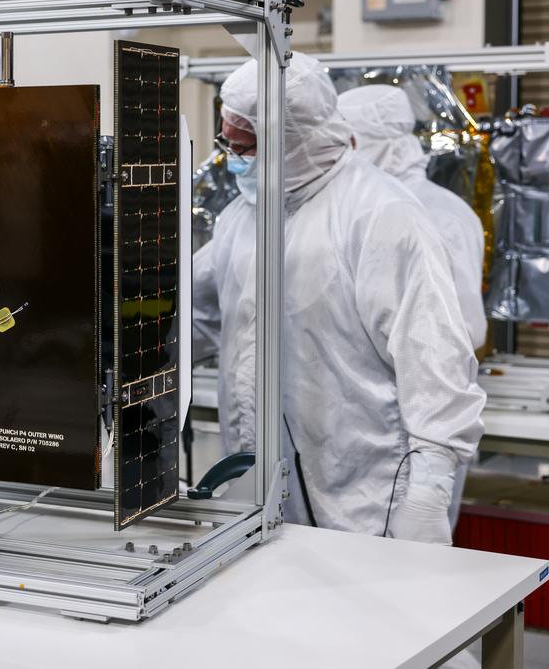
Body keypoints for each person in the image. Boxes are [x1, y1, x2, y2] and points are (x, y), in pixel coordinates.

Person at [192, 52, 486, 546]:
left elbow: (435, 362)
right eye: (227, 143)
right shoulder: (242, 218)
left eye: (244, 146)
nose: (232, 156)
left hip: (365, 495)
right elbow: (197, 314)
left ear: (289, 139)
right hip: (261, 489)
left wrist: (429, 490)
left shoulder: (380, 215)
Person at [337, 84, 487, 350]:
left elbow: (463, 329)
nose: (340, 158)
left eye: (349, 144)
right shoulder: (360, 210)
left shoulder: (440, 214)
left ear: (382, 143)